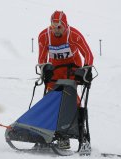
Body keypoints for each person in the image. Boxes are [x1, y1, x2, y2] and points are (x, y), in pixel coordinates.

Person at [37, 11, 94, 149]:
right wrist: (44, 70)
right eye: (53, 26)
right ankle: (50, 135)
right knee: (51, 101)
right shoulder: (44, 36)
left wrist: (85, 70)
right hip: (55, 72)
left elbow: (88, 54)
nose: (56, 29)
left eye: (59, 26)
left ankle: (80, 134)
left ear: (65, 25)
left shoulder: (73, 35)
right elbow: (41, 58)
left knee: (72, 101)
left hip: (72, 71)